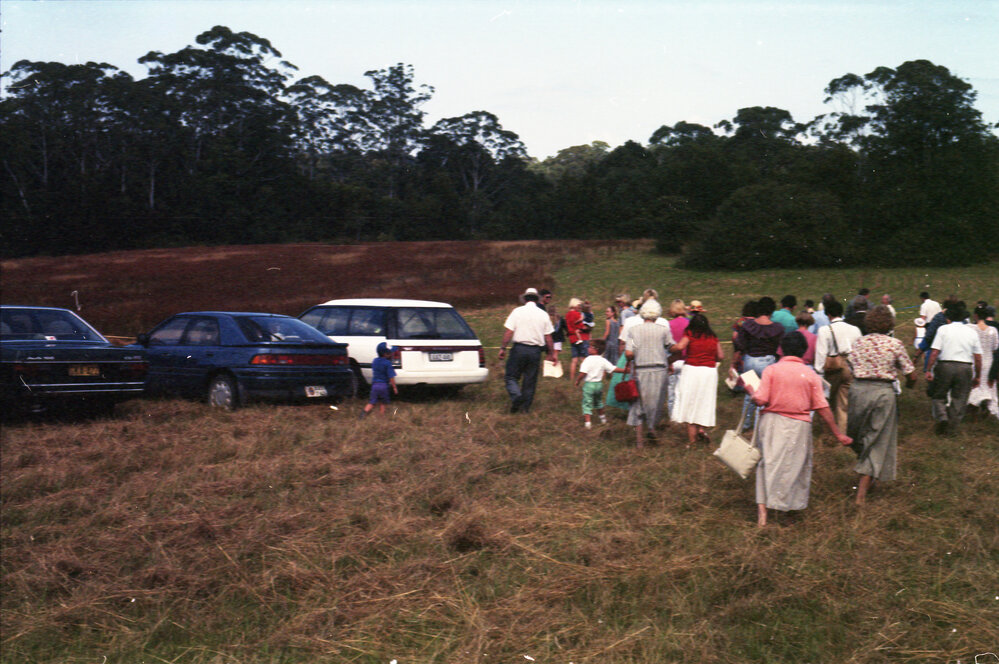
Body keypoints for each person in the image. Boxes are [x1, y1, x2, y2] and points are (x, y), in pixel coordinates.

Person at [744, 332, 852, 527]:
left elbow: (761, 399)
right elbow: (822, 407)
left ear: (782, 349)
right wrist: (837, 433)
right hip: (798, 426)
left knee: (766, 463)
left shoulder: (772, 370)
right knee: (796, 467)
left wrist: (751, 391)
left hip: (771, 422)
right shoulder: (810, 375)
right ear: (804, 351)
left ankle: (763, 515)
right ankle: (789, 511)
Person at [846, 305, 918, 505]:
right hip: (883, 392)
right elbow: (911, 373)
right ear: (889, 324)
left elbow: (850, 364)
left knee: (856, 435)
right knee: (877, 438)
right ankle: (866, 481)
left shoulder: (858, 343)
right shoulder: (895, 344)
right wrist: (911, 384)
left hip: (858, 390)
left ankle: (865, 481)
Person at [926, 303, 983, 434]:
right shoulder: (972, 332)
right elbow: (978, 357)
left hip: (945, 365)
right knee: (960, 398)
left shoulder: (943, 329)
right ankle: (951, 428)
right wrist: (978, 375)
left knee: (939, 394)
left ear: (948, 318)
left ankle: (942, 417)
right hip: (965, 366)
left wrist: (929, 369)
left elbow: (934, 352)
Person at [498, 288, 557, 413]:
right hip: (535, 351)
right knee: (530, 380)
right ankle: (525, 409)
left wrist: (503, 348)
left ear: (524, 299)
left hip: (519, 349)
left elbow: (509, 332)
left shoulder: (517, 311)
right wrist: (552, 353)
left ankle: (516, 396)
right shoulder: (543, 314)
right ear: (537, 299)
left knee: (511, 377)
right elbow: (548, 337)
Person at [625, 300, 675, 448]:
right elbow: (672, 347)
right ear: (657, 313)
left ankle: (639, 441)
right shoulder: (663, 330)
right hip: (659, 369)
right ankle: (652, 428)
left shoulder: (633, 330)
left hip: (640, 369)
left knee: (638, 404)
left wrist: (635, 355)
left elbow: (628, 353)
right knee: (657, 403)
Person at [670, 313, 724, 446]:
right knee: (704, 401)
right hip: (709, 372)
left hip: (692, 370)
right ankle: (701, 429)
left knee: (690, 402)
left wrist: (671, 347)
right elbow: (721, 356)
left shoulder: (690, 333)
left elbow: (681, 347)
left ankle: (692, 441)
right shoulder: (713, 337)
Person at [733, 296, 785, 432]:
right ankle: (760, 425)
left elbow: (739, 346)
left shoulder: (747, 326)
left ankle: (745, 423)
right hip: (768, 362)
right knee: (764, 395)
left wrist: (733, 364)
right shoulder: (778, 328)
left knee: (749, 394)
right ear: (771, 310)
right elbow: (780, 350)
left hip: (750, 361)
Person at [814, 300, 862, 432]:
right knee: (844, 403)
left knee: (827, 402)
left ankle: (829, 432)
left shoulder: (824, 330)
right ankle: (843, 432)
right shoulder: (855, 329)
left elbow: (820, 354)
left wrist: (818, 374)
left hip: (833, 369)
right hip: (851, 368)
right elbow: (860, 351)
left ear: (828, 315)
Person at [574, 338, 627, 429]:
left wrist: (577, 381)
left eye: (590, 347)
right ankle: (603, 420)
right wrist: (625, 370)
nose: (588, 348)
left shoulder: (587, 360)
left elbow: (583, 373)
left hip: (589, 385)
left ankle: (588, 424)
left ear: (595, 349)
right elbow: (613, 369)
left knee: (587, 403)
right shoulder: (602, 360)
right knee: (598, 402)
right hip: (599, 385)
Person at [967, 304, 999, 419]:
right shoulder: (993, 330)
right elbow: (995, 348)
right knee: (987, 385)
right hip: (988, 361)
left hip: (975, 360)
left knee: (975, 385)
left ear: (975, 315)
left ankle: (973, 408)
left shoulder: (970, 328)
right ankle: (986, 403)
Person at [360, 342, 398, 418]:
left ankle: (363, 414)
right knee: (383, 402)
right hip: (383, 386)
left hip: (375, 385)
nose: (391, 354)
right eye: (390, 353)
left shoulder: (375, 361)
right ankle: (381, 417)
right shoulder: (388, 363)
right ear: (385, 354)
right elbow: (391, 377)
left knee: (372, 402)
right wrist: (394, 387)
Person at [565, 297, 590, 382]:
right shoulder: (577, 314)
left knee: (574, 359)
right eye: (579, 305)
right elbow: (581, 326)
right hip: (582, 338)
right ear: (575, 305)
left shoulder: (567, 315)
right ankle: (585, 378)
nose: (580, 306)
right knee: (583, 359)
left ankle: (572, 378)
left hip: (572, 338)